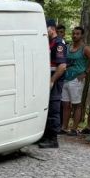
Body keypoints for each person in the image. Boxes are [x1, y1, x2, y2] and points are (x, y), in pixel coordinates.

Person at [60, 26, 90, 135]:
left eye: (77, 34)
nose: (74, 36)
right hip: (66, 78)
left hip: (77, 79)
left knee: (76, 105)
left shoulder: (84, 48)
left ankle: (74, 128)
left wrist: (86, 72)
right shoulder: (67, 47)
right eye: (73, 33)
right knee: (65, 104)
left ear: (81, 35)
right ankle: (64, 127)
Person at [38, 18, 67, 149]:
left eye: (46, 29)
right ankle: (45, 135)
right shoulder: (49, 42)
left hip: (54, 78)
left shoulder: (59, 43)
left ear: (52, 29)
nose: (44, 31)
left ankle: (53, 138)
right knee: (46, 106)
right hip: (47, 77)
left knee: (54, 107)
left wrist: (52, 80)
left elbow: (62, 66)